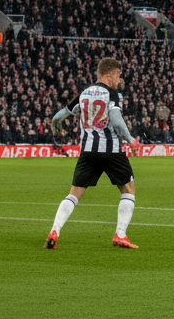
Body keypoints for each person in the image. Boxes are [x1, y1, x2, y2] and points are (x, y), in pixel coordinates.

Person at [44, 58, 140, 249]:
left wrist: (56, 127)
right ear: (109, 75)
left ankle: (54, 230)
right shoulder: (113, 94)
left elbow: (58, 116)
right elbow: (116, 119)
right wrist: (130, 140)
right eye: (118, 76)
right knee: (128, 190)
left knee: (73, 195)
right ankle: (120, 235)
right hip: (111, 151)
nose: (119, 80)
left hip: (87, 151)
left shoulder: (84, 93)